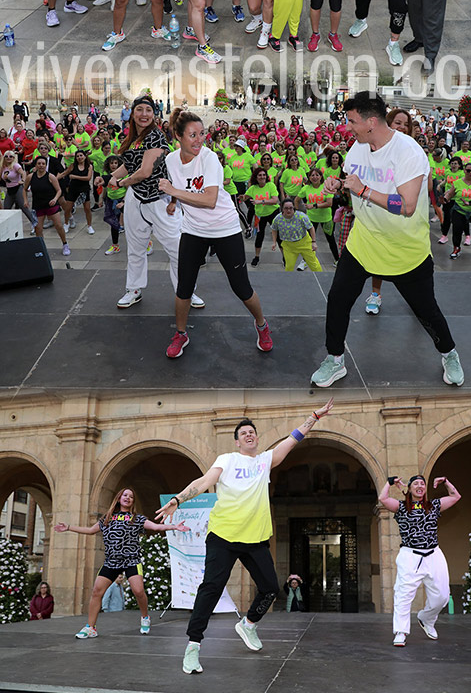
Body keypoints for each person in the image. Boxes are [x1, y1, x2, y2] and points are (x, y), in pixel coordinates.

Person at [155, 400, 333, 674]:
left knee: (271, 588)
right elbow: (204, 482)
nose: (249, 435)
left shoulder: (265, 461)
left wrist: (313, 417)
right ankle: (193, 646)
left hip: (255, 538)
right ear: (237, 442)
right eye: (244, 433)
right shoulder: (227, 460)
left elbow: (293, 439)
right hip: (223, 536)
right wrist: (178, 500)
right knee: (211, 588)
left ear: (257, 439)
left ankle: (248, 624)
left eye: (252, 432)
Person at [311, 92, 464, 389]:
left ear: (371, 122)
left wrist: (364, 189)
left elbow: (406, 206)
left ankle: (449, 353)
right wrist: (338, 184)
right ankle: (335, 359)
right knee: (338, 299)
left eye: (352, 120)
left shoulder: (408, 152)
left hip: (405, 250)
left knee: (426, 311)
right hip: (364, 242)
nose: (348, 126)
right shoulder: (358, 147)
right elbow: (352, 184)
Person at [159, 110, 273, 359]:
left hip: (225, 227)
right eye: (192, 135)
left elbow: (209, 200)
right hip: (193, 229)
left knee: (241, 287)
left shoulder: (209, 159)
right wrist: (172, 199)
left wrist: (174, 193)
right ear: (178, 136)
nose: (199, 140)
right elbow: (181, 186)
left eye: (201, 133)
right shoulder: (170, 160)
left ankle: (262, 325)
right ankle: (180, 333)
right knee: (184, 286)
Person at [54, 485, 184, 639]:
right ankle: (91, 627)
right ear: (119, 498)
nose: (128, 498)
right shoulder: (107, 518)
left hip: (131, 560)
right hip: (111, 561)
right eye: (125, 495)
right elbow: (90, 531)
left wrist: (173, 526)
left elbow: (155, 527)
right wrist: (68, 527)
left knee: (138, 591)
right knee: (97, 592)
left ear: (132, 502)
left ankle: (145, 617)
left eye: (131, 496)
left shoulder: (137, 519)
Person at [106, 94, 183, 309]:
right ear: (132, 113)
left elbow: (145, 171)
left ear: (154, 114)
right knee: (136, 246)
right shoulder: (132, 138)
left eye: (148, 110)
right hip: (136, 199)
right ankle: (134, 289)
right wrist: (114, 176)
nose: (144, 114)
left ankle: (185, 291)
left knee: (176, 248)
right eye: (139, 109)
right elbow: (130, 165)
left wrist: (121, 183)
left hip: (159, 199)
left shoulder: (156, 137)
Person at [378, 472, 460, 647]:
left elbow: (455, 496)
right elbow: (383, 498)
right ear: (410, 489)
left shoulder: (433, 506)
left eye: (422, 484)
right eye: (416, 484)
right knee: (403, 594)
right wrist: (389, 482)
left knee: (442, 596)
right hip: (410, 556)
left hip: (434, 554)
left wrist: (446, 481)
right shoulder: (401, 507)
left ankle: (427, 618)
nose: (420, 486)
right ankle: (401, 631)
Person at [271, 198, 322, 272]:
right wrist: (274, 242)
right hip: (289, 246)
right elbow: (274, 229)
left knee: (314, 265)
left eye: (291, 208)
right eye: (286, 208)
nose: (288, 210)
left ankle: (321, 279)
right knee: (289, 267)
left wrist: (313, 242)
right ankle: (289, 281)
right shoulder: (277, 219)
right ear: (282, 208)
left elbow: (311, 227)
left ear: (294, 208)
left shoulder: (301, 216)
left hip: (304, 243)